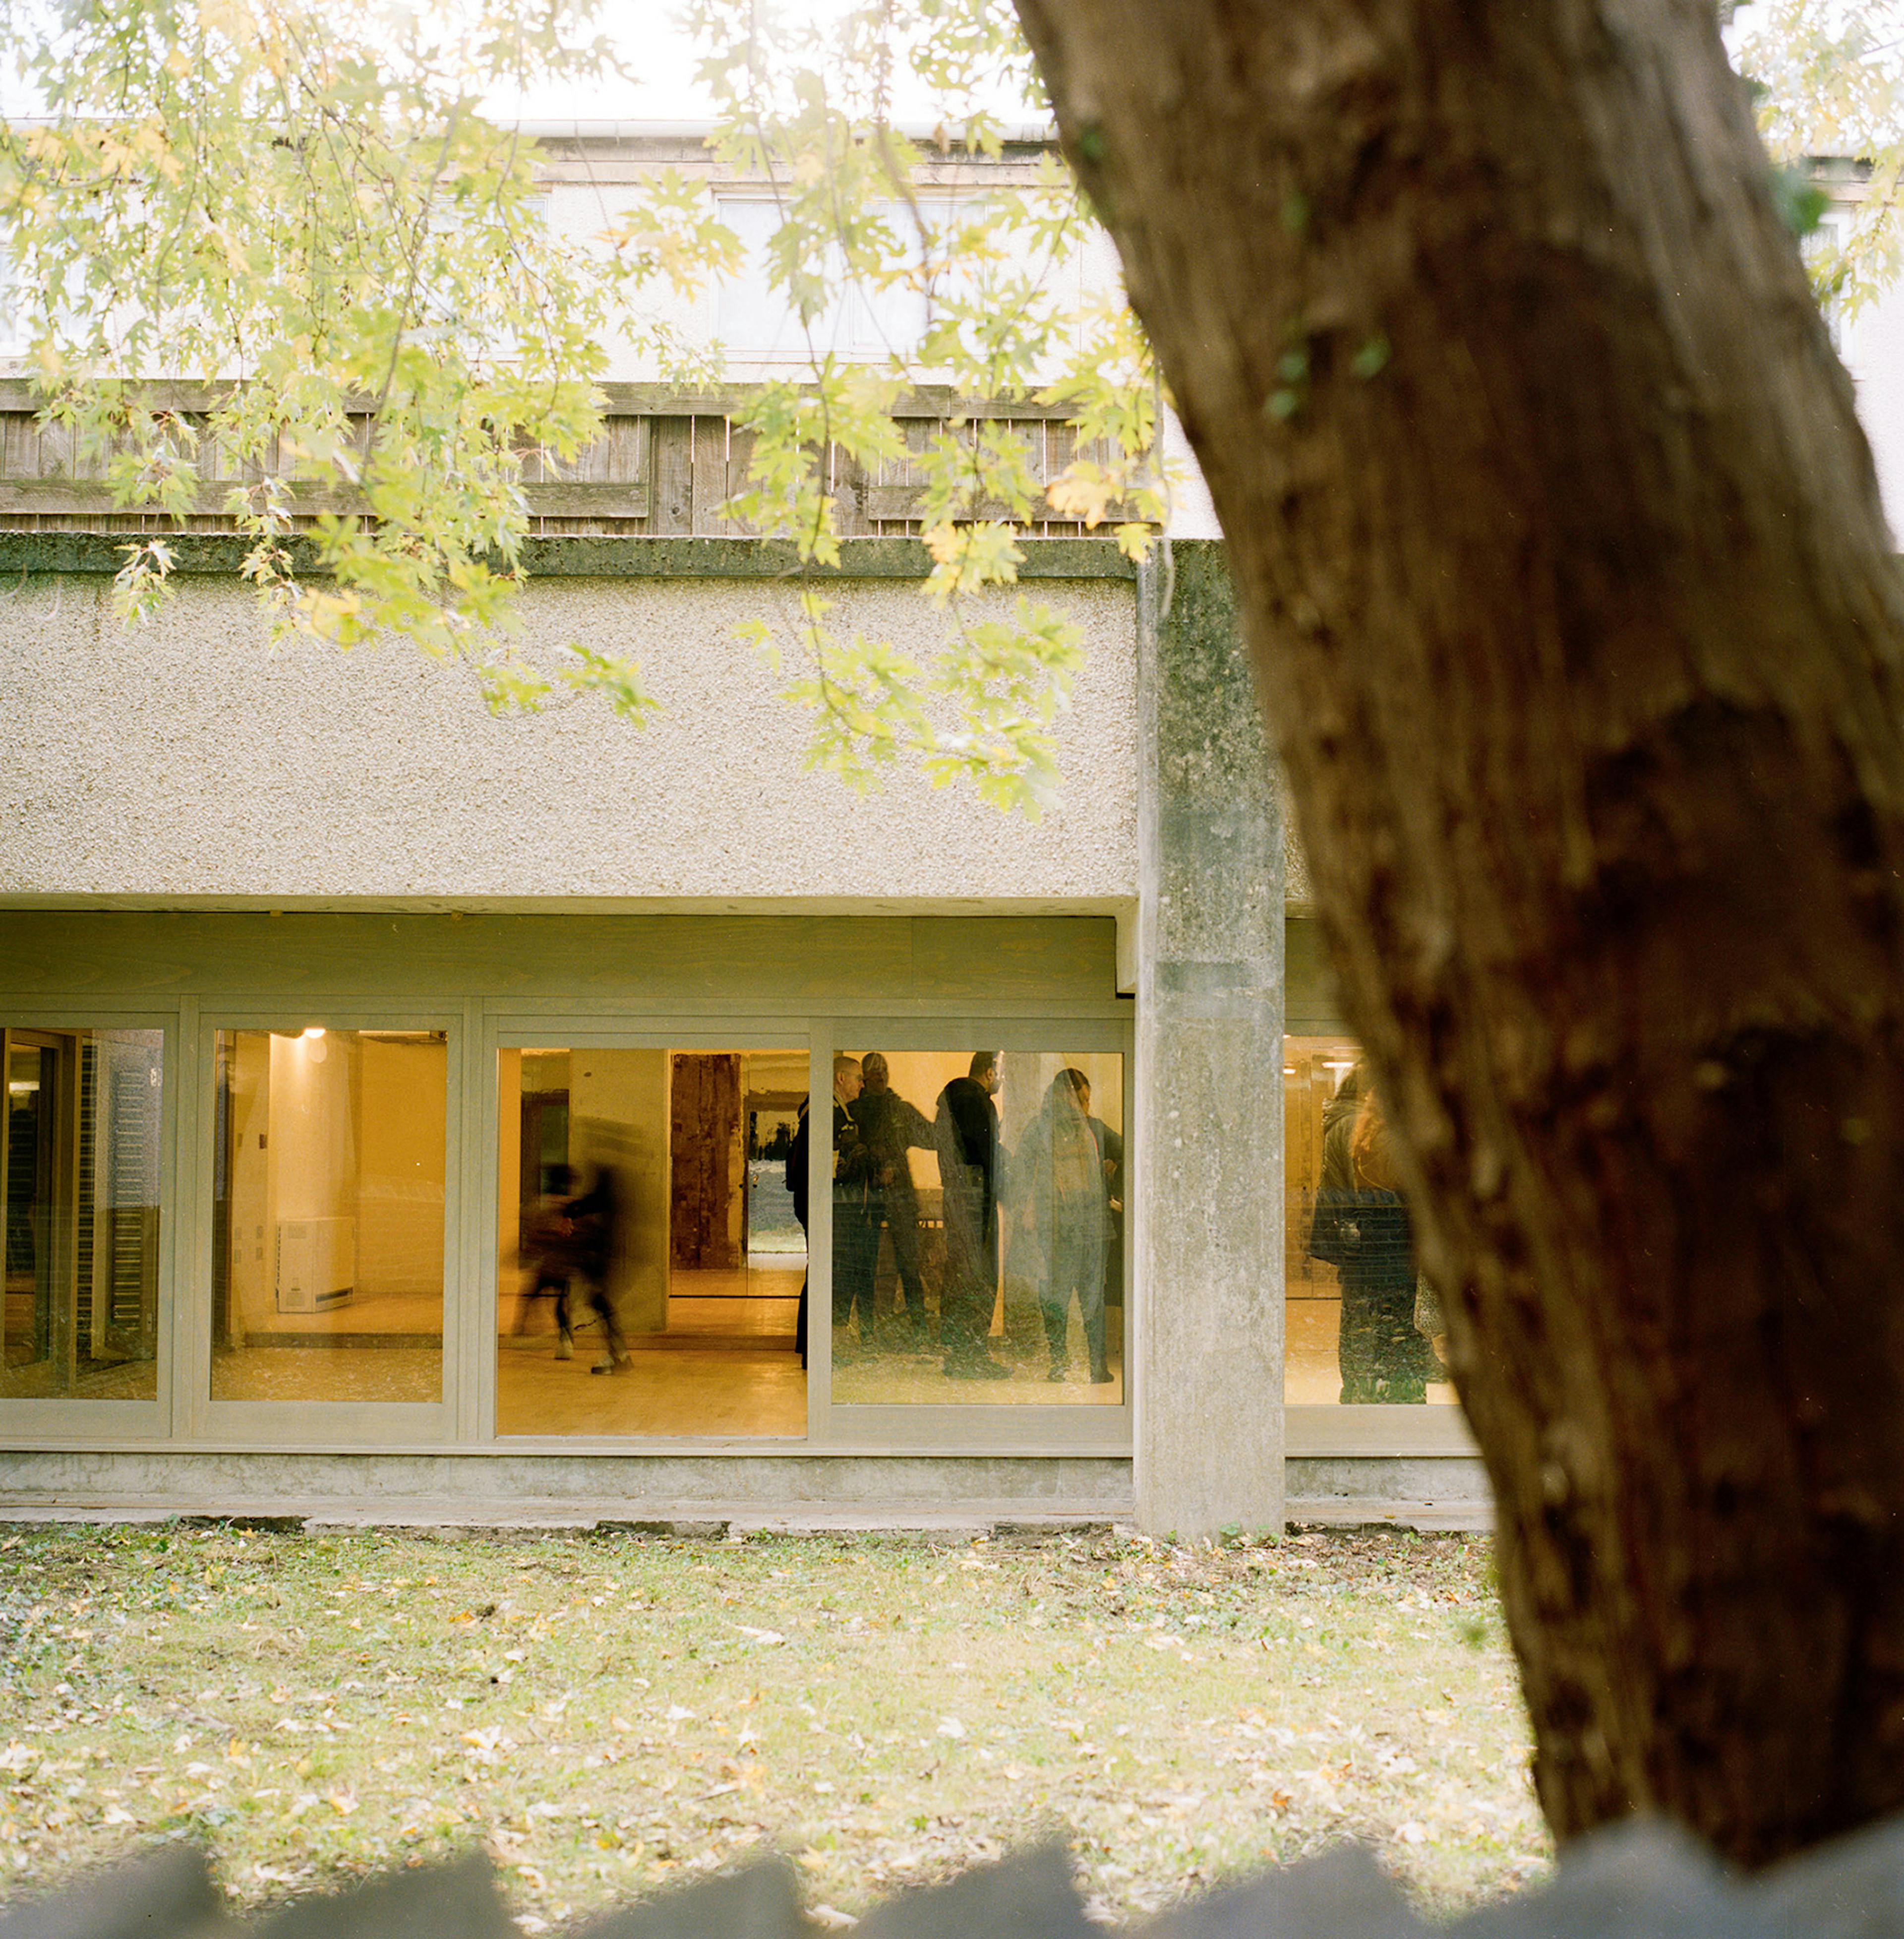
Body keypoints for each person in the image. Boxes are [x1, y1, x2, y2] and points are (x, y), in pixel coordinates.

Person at [1309, 1066, 1434, 1404]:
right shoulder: (1378, 1133)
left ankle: (1360, 1394)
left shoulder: (1354, 1129)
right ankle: (1396, 1396)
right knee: (1392, 1332)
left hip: (1363, 1251)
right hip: (1391, 1251)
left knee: (1361, 1330)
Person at [1017, 1069, 1122, 1383]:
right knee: (1082, 1296)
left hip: (1074, 1228)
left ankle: (1064, 1363)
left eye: (1088, 1101)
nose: (1086, 1107)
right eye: (1082, 1100)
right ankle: (1093, 1366)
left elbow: (1020, 1175)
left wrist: (1113, 1175)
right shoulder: (1085, 1130)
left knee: (1063, 1296)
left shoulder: (1048, 1128)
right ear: (1066, 1096)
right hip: (1073, 1228)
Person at [932, 1051, 1011, 1379]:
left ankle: (960, 1354)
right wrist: (1011, 1183)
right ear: (990, 1072)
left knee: (961, 1275)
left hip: (958, 1199)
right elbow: (987, 1155)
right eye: (1001, 1073)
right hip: (975, 1203)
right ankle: (971, 1355)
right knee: (978, 1278)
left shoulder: (951, 1104)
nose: (1003, 1080)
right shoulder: (977, 1103)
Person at [849, 1051, 936, 1338]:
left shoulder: (900, 1110)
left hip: (899, 1198)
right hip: (868, 1199)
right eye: (874, 1071)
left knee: (909, 1267)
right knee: (865, 1268)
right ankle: (867, 1333)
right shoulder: (855, 1112)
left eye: (883, 1069)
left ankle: (920, 1330)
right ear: (864, 1076)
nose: (881, 1075)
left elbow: (932, 1136)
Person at [830, 1055, 877, 1348]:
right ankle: (833, 1342)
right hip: (842, 1208)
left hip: (848, 1207)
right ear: (841, 1078)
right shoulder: (832, 1114)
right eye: (859, 1078)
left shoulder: (842, 1112)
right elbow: (838, 1166)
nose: (863, 1084)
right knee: (842, 1274)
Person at [564, 1163, 629, 1375]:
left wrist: (567, 1212)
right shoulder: (613, 1203)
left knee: (600, 1304)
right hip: (603, 1260)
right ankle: (620, 1354)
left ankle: (617, 1355)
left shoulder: (600, 1202)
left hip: (598, 1261)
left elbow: (578, 1207)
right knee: (602, 1305)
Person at [518, 1162, 581, 1358]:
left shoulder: (544, 1206)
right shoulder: (572, 1206)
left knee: (532, 1299)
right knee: (559, 1308)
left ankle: (524, 1333)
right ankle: (565, 1340)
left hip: (549, 1266)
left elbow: (536, 1234)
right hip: (563, 1267)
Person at [787, 1099, 811, 1370]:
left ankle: (805, 1344)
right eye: (857, 1079)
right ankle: (807, 1345)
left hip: (806, 1206)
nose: (860, 1085)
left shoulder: (807, 1118)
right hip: (812, 1207)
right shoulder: (816, 1119)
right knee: (817, 1274)